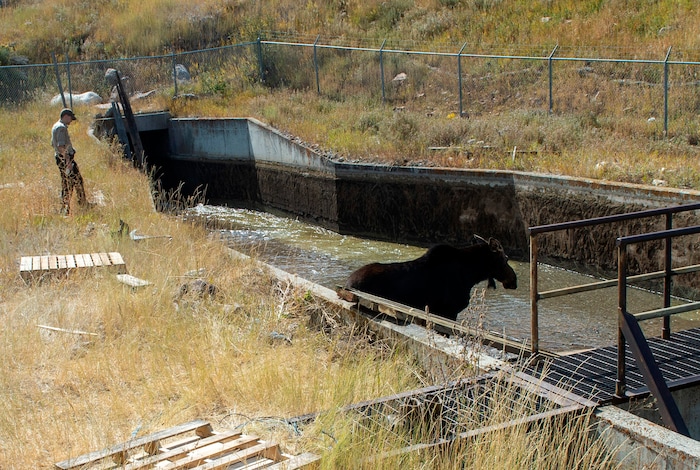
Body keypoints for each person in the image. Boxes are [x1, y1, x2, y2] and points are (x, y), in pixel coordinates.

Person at [51, 108, 88, 214]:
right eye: (70, 118)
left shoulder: (55, 126)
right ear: (66, 116)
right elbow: (61, 146)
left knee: (68, 183)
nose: (71, 121)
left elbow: (53, 144)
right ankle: (79, 205)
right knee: (75, 181)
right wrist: (68, 161)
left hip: (61, 159)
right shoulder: (61, 128)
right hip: (66, 160)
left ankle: (66, 207)